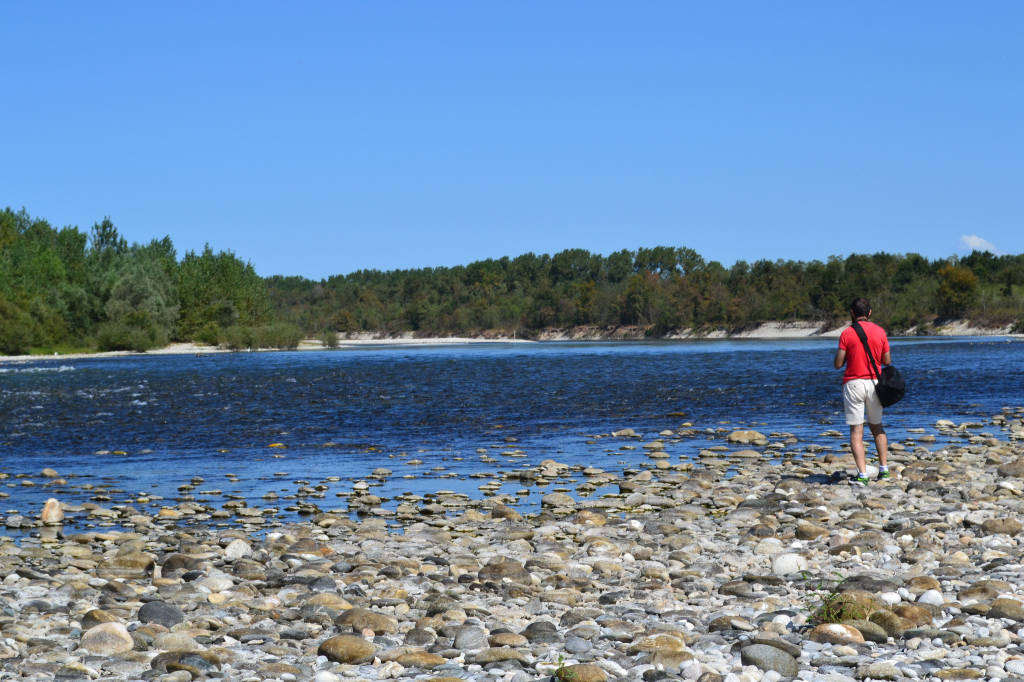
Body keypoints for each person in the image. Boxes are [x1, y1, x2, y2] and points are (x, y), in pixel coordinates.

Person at [833, 297, 891, 484]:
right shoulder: (880, 332)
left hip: (854, 383)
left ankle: (863, 475)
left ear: (852, 313)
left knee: (856, 432)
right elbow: (887, 361)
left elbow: (838, 364)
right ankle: (884, 469)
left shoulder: (847, 334)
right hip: (874, 383)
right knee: (877, 427)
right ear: (870, 312)